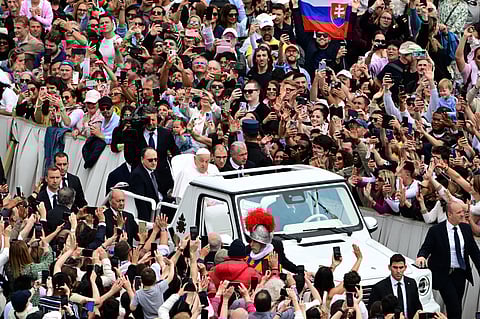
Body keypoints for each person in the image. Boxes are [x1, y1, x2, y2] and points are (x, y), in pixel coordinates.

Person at [416, 201, 480, 319]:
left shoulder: (466, 229)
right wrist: (421, 256)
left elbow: (475, 253)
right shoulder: (436, 230)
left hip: (460, 274)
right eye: (459, 212)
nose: (463, 214)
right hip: (443, 274)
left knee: (456, 307)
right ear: (450, 214)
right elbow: (426, 248)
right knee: (454, 306)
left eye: (463, 211)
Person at [368, 254, 422, 319]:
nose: (398, 271)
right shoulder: (379, 287)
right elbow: (373, 312)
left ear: (405, 267)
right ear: (389, 267)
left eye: (401, 267)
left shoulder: (412, 283)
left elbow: (417, 305)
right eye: (395, 267)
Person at [129, 147, 162, 221]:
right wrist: (148, 223)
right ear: (142, 160)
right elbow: (141, 202)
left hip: (158, 208)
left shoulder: (153, 170)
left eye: (156, 160)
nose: (154, 163)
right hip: (150, 213)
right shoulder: (137, 175)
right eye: (150, 160)